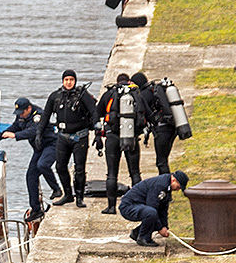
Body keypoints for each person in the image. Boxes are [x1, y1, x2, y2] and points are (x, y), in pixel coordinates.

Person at [36, 69, 98, 208]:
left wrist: (97, 128)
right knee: (60, 166)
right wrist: (39, 133)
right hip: (63, 137)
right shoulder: (55, 96)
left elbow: (94, 111)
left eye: (71, 80)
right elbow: (45, 116)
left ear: (75, 81)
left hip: (80, 137)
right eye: (66, 80)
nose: (69, 82)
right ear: (62, 81)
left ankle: (79, 197)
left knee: (79, 168)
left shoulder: (82, 95)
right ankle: (68, 194)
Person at [0, 97, 62, 222]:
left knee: (42, 165)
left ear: (29, 108)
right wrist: (0, 135)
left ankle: (56, 189)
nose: (20, 115)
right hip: (38, 148)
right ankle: (36, 209)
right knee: (31, 176)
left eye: (22, 113)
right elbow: (15, 126)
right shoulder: (21, 116)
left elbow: (33, 131)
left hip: (51, 145)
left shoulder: (38, 115)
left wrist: (15, 136)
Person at [96, 73, 153, 214]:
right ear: (129, 81)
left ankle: (111, 207)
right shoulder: (136, 94)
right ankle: (139, 203)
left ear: (117, 82)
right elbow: (148, 114)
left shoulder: (109, 94)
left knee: (111, 173)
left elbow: (97, 113)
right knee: (135, 172)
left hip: (112, 137)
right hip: (131, 137)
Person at [118, 170, 188, 247]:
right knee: (151, 213)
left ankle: (137, 233)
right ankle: (144, 238)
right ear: (173, 180)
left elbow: (163, 209)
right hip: (129, 206)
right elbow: (152, 205)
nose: (177, 190)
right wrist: (160, 228)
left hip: (139, 206)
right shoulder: (160, 185)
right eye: (178, 187)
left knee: (154, 215)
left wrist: (164, 226)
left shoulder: (167, 186)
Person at [134, 71, 176, 175]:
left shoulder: (143, 95)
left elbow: (142, 116)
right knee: (164, 159)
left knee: (161, 162)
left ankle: (166, 184)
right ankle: (166, 182)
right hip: (172, 127)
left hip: (162, 130)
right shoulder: (154, 90)